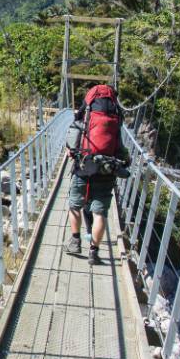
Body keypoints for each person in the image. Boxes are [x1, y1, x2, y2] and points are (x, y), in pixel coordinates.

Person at [65, 84, 129, 264]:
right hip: (106, 171)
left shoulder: (85, 116)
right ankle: (94, 253)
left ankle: (75, 241)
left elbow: (71, 144)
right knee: (100, 213)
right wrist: (126, 160)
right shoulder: (115, 118)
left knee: (75, 205)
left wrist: (72, 152)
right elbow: (120, 148)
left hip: (83, 167)